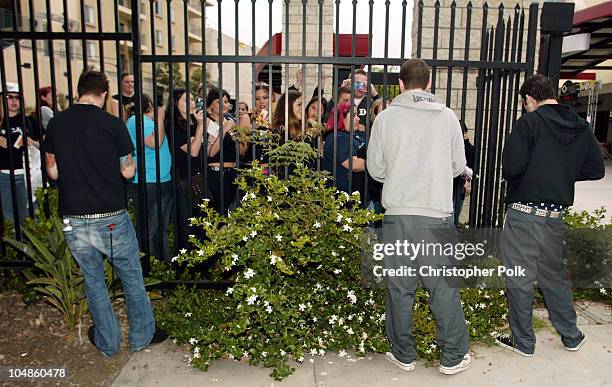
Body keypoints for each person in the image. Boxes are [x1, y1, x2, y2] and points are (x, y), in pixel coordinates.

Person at [44, 69, 167, 357]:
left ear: (79, 91)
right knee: (131, 276)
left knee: (93, 279)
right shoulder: (112, 124)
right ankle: (141, 336)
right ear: (103, 94)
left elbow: (52, 170)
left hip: (74, 217)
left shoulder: (57, 124)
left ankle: (108, 342)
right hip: (111, 215)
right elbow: (128, 171)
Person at [367, 58, 472, 375]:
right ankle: (453, 356)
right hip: (436, 215)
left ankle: (404, 354)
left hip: (399, 214)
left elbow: (375, 170)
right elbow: (457, 167)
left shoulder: (385, 119)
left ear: (400, 84)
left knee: (400, 289)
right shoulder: (448, 118)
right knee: (443, 288)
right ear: (429, 84)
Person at [495, 74, 605, 357]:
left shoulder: (529, 123)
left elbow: (512, 167)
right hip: (554, 217)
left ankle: (523, 342)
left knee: (519, 277)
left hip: (524, 215)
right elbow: (596, 170)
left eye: (524, 103)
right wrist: (562, 175)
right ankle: (571, 334)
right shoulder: (580, 127)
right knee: (555, 277)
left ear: (529, 99)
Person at [126, 93, 173, 262]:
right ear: (150, 104)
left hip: (160, 180)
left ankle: (161, 267)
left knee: (160, 229)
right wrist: (160, 119)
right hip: (149, 181)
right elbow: (155, 143)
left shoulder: (146, 122)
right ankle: (149, 268)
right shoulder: (137, 121)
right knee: (149, 230)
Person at [164, 88, 206, 251]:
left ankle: (201, 264)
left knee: (202, 223)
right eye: (186, 100)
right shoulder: (174, 125)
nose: (192, 103)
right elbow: (193, 151)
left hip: (197, 177)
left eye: (192, 99)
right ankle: (185, 266)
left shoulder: (192, 122)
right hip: (183, 180)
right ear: (175, 103)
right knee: (187, 225)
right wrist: (201, 125)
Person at [0, 82, 39, 226]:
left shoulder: (29, 121)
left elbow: (45, 143)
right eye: (10, 97)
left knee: (27, 219)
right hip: (3, 176)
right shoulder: (1, 122)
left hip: (26, 175)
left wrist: (32, 142)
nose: (14, 101)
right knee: (9, 220)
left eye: (17, 97)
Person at [205, 87, 248, 215]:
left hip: (233, 174)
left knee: (231, 213)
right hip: (217, 175)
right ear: (211, 104)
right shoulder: (208, 121)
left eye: (226, 101)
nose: (224, 105)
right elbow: (211, 152)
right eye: (219, 102)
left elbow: (241, 150)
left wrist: (244, 134)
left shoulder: (230, 121)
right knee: (219, 213)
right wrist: (224, 129)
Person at [321, 102, 366, 195]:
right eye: (353, 115)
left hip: (359, 193)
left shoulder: (354, 134)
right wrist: (378, 165)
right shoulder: (337, 137)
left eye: (357, 115)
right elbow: (353, 164)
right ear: (341, 118)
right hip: (342, 196)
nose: (358, 118)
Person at [452, 121, 475, 225]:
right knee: (453, 217)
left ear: (465, 133)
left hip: (459, 185)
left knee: (453, 217)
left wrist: (467, 181)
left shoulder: (469, 149)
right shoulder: (468, 148)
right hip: (457, 185)